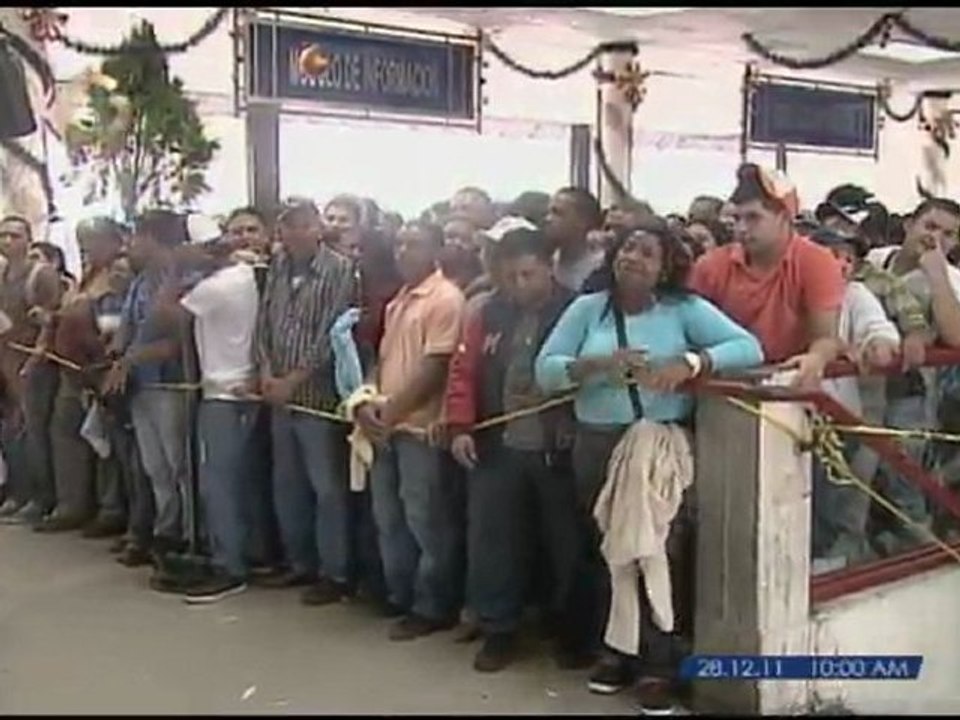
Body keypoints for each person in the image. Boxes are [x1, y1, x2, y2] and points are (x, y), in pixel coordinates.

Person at [535, 218, 763, 711]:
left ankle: (660, 665)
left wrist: (692, 363)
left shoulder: (685, 310)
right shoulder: (587, 310)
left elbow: (749, 347)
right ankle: (618, 652)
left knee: (657, 551)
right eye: (626, 249)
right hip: (596, 445)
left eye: (645, 252)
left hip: (658, 447)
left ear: (665, 268)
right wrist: (593, 366)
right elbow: (546, 370)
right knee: (610, 551)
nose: (632, 258)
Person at [445, 227, 580, 673]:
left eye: (528, 274)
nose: (520, 286)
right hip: (496, 445)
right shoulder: (486, 311)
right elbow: (463, 371)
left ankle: (569, 631)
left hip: (555, 448)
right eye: (510, 277)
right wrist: (461, 426)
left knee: (565, 544)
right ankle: (499, 629)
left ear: (549, 267)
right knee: (494, 541)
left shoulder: (576, 309)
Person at [355, 220, 465, 641]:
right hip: (388, 426)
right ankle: (399, 595)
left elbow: (436, 368)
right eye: (400, 244)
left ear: (436, 249)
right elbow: (383, 364)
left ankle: (432, 605)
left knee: (426, 519)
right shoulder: (398, 301)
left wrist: (392, 413)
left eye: (415, 245)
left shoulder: (445, 299)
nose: (404, 252)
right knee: (389, 517)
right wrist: (366, 403)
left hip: (419, 430)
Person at [149, 214, 262, 603]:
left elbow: (165, 314)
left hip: (224, 394)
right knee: (233, 482)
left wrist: (175, 270)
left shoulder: (217, 287)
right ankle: (240, 555)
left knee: (220, 485)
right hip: (231, 390)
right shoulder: (242, 275)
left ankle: (229, 567)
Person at [255, 200, 357, 604]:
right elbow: (265, 322)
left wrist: (293, 379)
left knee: (326, 488)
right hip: (277, 394)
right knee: (288, 484)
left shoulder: (340, 270)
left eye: (301, 225)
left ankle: (336, 572)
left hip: (316, 397)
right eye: (286, 227)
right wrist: (266, 372)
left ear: (317, 228)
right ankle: (300, 564)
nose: (293, 234)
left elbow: (332, 335)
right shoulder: (278, 265)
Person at [689, 164, 846, 389]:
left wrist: (816, 359)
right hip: (721, 387)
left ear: (784, 217)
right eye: (737, 218)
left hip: (789, 388)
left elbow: (826, 338)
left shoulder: (818, 262)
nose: (741, 228)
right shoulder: (710, 266)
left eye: (753, 218)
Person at [864, 197, 960, 553]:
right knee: (861, 473)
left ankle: (921, 550)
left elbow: (956, 336)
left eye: (949, 234)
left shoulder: (949, 278)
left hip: (911, 393)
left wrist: (936, 273)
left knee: (904, 471)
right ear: (909, 225)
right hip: (863, 385)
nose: (936, 238)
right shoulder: (875, 260)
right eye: (930, 227)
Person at [101, 210, 191, 564]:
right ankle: (165, 530)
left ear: (154, 238)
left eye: (137, 236)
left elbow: (178, 339)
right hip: (141, 385)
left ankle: (188, 533)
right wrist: (114, 355)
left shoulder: (183, 278)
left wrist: (130, 359)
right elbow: (126, 327)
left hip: (171, 382)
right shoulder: (141, 281)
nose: (131, 245)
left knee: (178, 464)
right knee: (155, 467)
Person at [36, 218, 127, 534]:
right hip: (71, 370)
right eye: (82, 241)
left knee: (103, 442)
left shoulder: (118, 272)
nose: (87, 248)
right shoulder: (87, 275)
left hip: (96, 369)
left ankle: (110, 509)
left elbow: (112, 323)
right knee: (68, 435)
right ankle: (72, 504)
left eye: (93, 241)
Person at [0, 215, 63, 524]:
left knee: (35, 432)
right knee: (11, 432)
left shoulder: (42, 274)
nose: (7, 241)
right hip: (5, 363)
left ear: (28, 238)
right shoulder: (2, 275)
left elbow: (51, 319)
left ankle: (43, 499)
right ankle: (18, 493)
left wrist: (37, 356)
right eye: (3, 236)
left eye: (14, 235)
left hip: (33, 364)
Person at [544, 187, 603, 292]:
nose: (547, 219)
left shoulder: (601, 269)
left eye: (557, 213)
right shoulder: (545, 264)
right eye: (548, 212)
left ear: (583, 222)